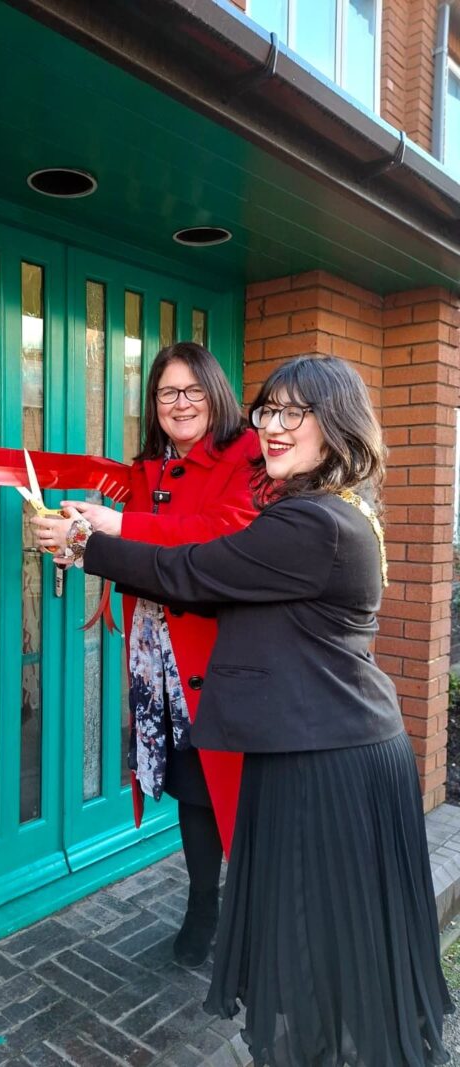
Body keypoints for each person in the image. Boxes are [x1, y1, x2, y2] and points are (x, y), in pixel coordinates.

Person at [37, 355, 453, 1066]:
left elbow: (192, 571)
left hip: (327, 761)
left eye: (297, 412)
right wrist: (106, 541)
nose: (275, 427)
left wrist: (87, 545)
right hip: (333, 742)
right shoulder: (330, 509)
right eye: (269, 412)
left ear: (338, 422)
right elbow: (215, 588)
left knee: (316, 949)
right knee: (329, 948)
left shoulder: (311, 523)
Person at [39, 341, 259, 967]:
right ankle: (203, 907)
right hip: (161, 658)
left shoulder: (249, 455)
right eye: (167, 393)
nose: (180, 404)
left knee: (241, 789)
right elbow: (136, 557)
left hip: (226, 659)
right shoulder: (150, 469)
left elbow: (222, 537)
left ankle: (251, 910)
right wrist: (75, 535)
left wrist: (114, 527)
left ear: (216, 394)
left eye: (192, 391)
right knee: (193, 789)